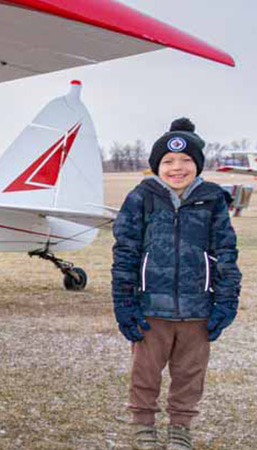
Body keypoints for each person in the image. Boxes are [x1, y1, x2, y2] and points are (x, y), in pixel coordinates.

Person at [111, 118, 240, 450]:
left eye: (186, 161)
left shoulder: (212, 199)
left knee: (189, 375)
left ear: (197, 164)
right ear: (157, 166)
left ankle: (180, 426)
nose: (177, 167)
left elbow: (226, 252)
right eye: (168, 161)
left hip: (199, 310)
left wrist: (226, 301)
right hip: (151, 308)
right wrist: (125, 303)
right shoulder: (142, 197)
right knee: (145, 373)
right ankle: (143, 425)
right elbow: (125, 252)